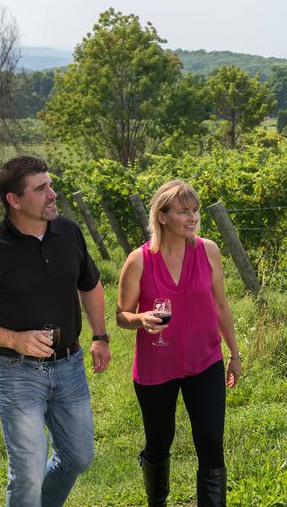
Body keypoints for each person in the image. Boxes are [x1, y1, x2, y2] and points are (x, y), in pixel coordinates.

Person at [0, 156, 111, 506]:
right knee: (27, 471)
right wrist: (14, 339)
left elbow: (91, 283)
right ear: (14, 199)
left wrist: (100, 336)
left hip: (69, 366)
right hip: (16, 373)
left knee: (79, 457)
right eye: (41, 189)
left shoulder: (68, 231)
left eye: (50, 185)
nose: (52, 194)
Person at [116, 180, 241, 507]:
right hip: (157, 367)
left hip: (205, 361)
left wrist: (235, 353)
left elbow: (221, 305)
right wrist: (140, 319)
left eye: (195, 210)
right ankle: (157, 501)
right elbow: (121, 315)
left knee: (211, 442)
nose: (193, 217)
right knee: (159, 442)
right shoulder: (139, 261)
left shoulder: (208, 250)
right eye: (184, 211)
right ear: (161, 216)